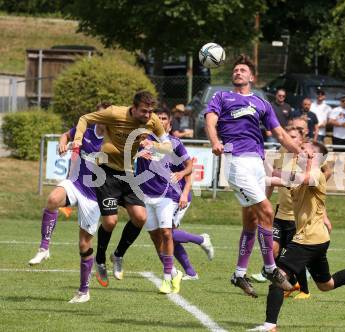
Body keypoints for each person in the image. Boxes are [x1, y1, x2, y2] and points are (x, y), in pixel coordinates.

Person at [248, 142, 345, 332]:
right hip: (317, 239)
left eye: (304, 149)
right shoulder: (300, 174)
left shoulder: (316, 174)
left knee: (278, 276)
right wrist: (253, 171)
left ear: (314, 156)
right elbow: (274, 178)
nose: (298, 152)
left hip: (308, 239)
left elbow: (305, 178)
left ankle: (269, 325)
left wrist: (298, 165)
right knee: (326, 284)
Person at [204, 54, 304, 298]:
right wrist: (215, 141)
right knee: (268, 212)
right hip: (236, 162)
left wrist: (299, 151)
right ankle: (271, 268)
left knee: (251, 220)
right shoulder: (221, 97)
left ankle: (239, 274)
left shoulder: (262, 103)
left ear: (252, 77)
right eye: (235, 70)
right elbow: (210, 120)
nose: (238, 72)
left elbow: (279, 133)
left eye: (242, 70)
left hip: (257, 163)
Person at [72, 91, 171, 287]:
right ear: (133, 108)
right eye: (143, 111)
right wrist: (77, 139)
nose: (147, 115)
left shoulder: (152, 121)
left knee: (141, 217)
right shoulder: (114, 113)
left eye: (150, 111)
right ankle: (99, 260)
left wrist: (154, 145)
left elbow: (167, 146)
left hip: (127, 174)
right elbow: (84, 119)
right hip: (104, 173)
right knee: (110, 221)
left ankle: (117, 255)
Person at [28, 102, 110, 303]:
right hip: (76, 183)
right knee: (53, 199)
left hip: (94, 196)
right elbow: (66, 135)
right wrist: (63, 143)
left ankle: (84, 291)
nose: (97, 119)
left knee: (84, 245)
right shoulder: (86, 130)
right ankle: (44, 248)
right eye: (95, 115)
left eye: (102, 116)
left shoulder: (113, 139)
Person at [135, 109, 214, 293]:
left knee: (167, 233)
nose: (160, 121)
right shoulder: (142, 141)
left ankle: (172, 273)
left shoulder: (174, 144)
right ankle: (185, 270)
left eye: (164, 119)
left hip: (172, 195)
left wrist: (183, 187)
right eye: (157, 118)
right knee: (159, 236)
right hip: (148, 196)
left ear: (169, 125)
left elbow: (189, 168)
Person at [251, 127, 311, 300]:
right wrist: (263, 201)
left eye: (292, 137)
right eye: (286, 137)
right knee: (273, 249)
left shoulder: (305, 158)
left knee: (293, 255)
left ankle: (302, 289)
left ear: (300, 140)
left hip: (297, 216)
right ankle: (283, 282)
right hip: (279, 213)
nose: (287, 140)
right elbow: (271, 181)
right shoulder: (281, 154)